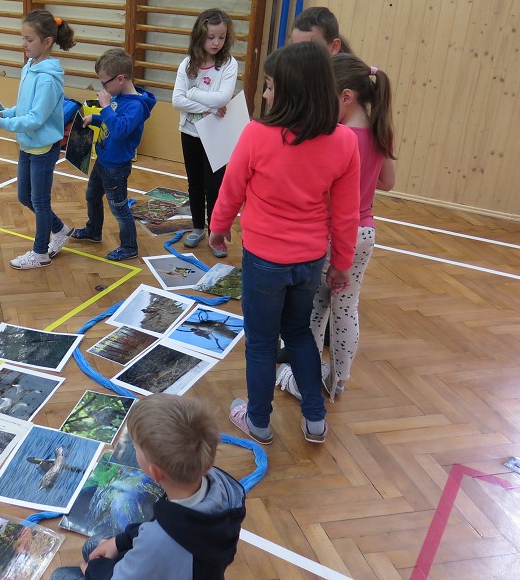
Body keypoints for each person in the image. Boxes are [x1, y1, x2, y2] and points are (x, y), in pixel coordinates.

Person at [210, 42, 360, 445]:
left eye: (271, 86)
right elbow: (346, 215)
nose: (264, 94)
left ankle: (258, 420)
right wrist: (341, 263)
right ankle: (315, 421)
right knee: (298, 335)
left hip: (264, 262)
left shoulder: (257, 134)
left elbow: (231, 190)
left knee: (260, 343)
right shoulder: (344, 141)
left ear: (294, 91)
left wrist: (218, 228)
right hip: (310, 261)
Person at [276, 54, 397, 402]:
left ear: (346, 96)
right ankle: (339, 381)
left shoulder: (338, 137)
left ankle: (304, 379)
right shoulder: (379, 130)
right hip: (365, 234)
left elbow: (324, 194)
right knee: (346, 308)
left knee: (314, 308)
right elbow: (387, 182)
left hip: (332, 236)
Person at [49, 394, 246, 580]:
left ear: (155, 472)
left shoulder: (158, 540)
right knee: (94, 544)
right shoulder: (225, 488)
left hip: (166, 559)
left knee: (61, 575)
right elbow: (158, 525)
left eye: (135, 447)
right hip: (190, 562)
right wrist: (120, 541)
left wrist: (93, 570)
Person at [0, 9, 75, 270]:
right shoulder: (30, 66)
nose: (24, 44)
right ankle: (61, 230)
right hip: (28, 143)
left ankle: (40, 253)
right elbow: (24, 107)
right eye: (23, 38)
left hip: (43, 147)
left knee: (40, 201)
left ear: (47, 41)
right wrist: (5, 112)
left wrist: (2, 123)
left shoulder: (47, 78)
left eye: (29, 39)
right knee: (25, 196)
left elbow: (36, 118)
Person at [69, 48, 156, 261]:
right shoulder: (119, 97)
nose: (103, 88)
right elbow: (112, 122)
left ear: (120, 79)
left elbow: (119, 130)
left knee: (118, 207)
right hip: (104, 160)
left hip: (116, 167)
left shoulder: (135, 106)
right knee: (91, 195)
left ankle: (129, 246)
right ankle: (94, 230)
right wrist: (96, 119)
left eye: (104, 83)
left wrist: (106, 107)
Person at [171, 8, 239, 257]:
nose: (216, 43)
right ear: (200, 36)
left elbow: (223, 97)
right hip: (190, 131)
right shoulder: (188, 64)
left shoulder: (228, 64)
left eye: (221, 37)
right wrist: (209, 105)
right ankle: (198, 226)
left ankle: (216, 232)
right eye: (211, 37)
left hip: (217, 133)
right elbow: (177, 101)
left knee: (215, 185)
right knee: (195, 183)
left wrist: (192, 94)